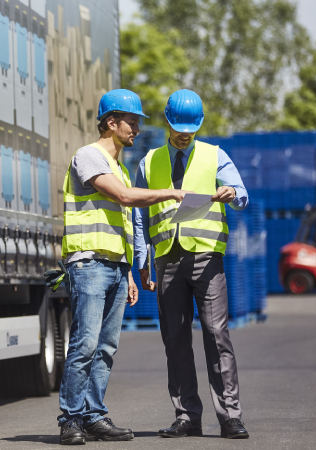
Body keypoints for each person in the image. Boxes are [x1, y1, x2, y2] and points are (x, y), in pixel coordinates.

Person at [57, 89, 187, 445]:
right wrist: (171, 193)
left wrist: (129, 272)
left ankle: (93, 415)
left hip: (113, 268)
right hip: (88, 266)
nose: (136, 128)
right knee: (84, 344)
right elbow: (125, 199)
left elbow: (123, 225)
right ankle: (70, 418)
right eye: (131, 122)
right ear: (111, 123)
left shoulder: (119, 167)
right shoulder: (89, 156)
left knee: (106, 348)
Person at [133, 89, 250, 439]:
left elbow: (241, 194)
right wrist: (142, 258)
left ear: (198, 125)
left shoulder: (216, 156)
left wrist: (232, 193)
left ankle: (230, 416)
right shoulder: (148, 162)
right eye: (178, 127)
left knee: (217, 335)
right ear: (167, 122)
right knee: (175, 339)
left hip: (206, 257)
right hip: (167, 258)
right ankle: (187, 415)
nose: (184, 134)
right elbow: (139, 215)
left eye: (191, 128)